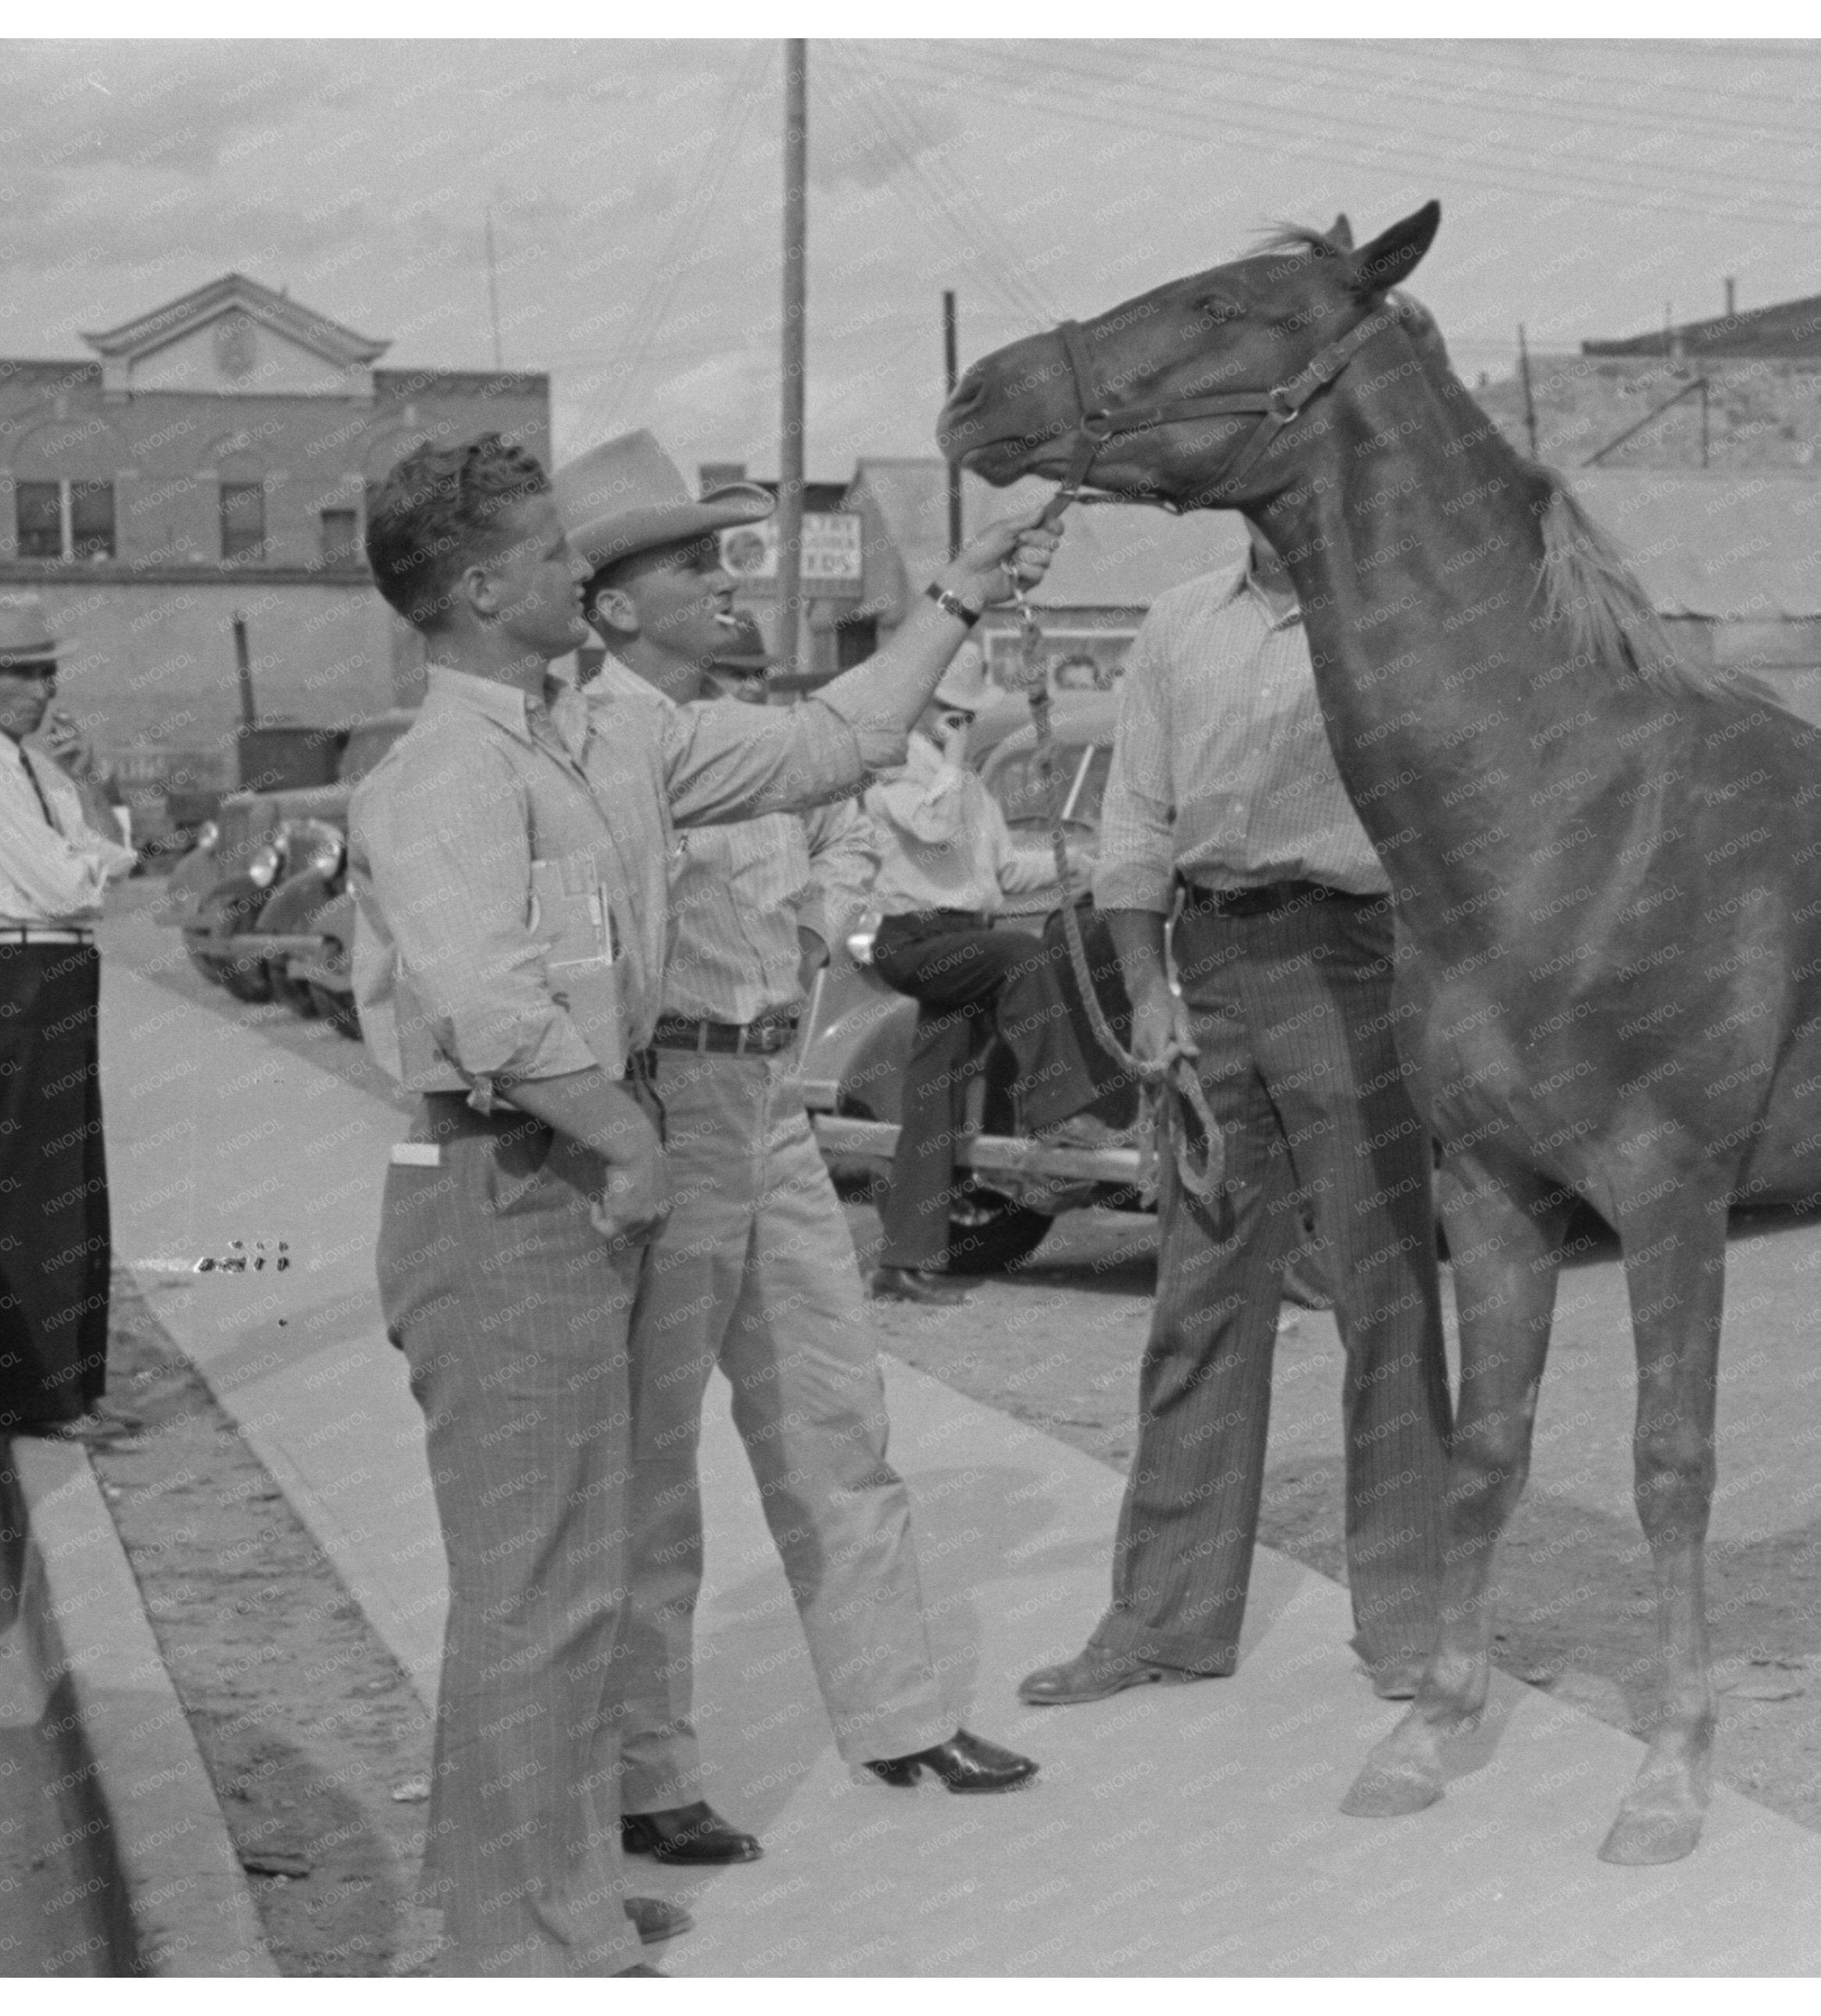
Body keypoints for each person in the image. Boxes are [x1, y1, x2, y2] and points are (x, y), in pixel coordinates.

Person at [349, 429, 1054, 1977]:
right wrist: (632, 1139)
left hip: (570, 1166)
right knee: (540, 1586)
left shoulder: (600, 743)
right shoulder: (447, 773)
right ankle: (534, 1939)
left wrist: (952, 597)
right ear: (481, 590)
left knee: (555, 1580)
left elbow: (824, 747)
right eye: (548, 557)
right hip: (505, 1172)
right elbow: (486, 1005)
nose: (575, 580)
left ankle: (544, 1908)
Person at [554, 439, 1038, 1882]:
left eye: (722, 556)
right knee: (653, 1469)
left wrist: (824, 914)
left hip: (769, 1098)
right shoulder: (592, 738)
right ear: (607, 608)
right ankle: (647, 1773)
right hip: (664, 1103)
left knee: (836, 1420)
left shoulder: (746, 731)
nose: (724, 583)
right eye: (689, 564)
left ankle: (901, 1716)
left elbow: (841, 833)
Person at [1016, 521, 1451, 1710]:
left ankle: (1414, 1618)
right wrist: (1147, 991)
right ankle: (1163, 1618)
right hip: (1206, 965)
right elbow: (1134, 819)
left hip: (1356, 964)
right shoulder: (1175, 622)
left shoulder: (1393, 613)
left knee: (1387, 1294)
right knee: (1199, 1300)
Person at [0, 594, 145, 1445]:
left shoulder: (34, 765)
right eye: (20, 674)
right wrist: (90, 869)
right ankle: (35, 1397)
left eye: (46, 672)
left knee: (76, 1180)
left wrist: (90, 783)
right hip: (25, 967)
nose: (39, 691)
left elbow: (113, 848)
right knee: (41, 1187)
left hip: (61, 965)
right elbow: (67, 882)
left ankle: (75, 1387)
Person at [859, 645, 1132, 1306]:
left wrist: (1089, 866)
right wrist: (952, 760)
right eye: (950, 712)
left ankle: (902, 1260)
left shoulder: (968, 785)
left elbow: (1005, 875)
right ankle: (1060, 1111)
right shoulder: (896, 775)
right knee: (1021, 955)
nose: (959, 722)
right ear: (922, 709)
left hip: (961, 941)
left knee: (933, 1105)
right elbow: (935, 824)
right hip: (915, 939)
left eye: (964, 715)